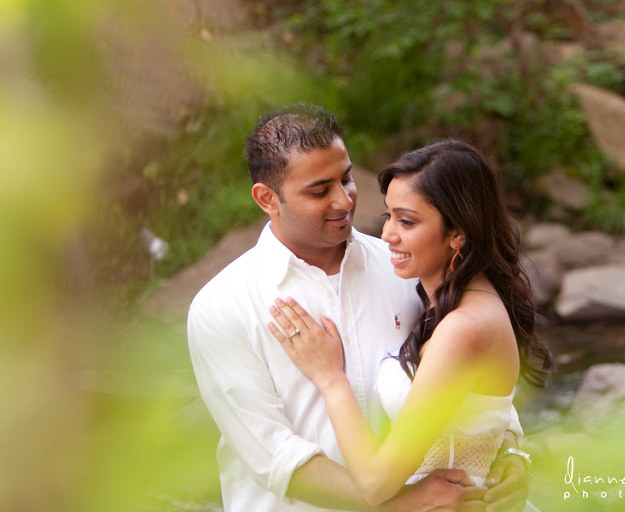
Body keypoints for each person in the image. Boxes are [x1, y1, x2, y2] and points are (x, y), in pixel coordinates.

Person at [187, 103, 532, 512]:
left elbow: (466, 376)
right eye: (319, 190)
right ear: (267, 199)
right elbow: (272, 455)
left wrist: (509, 452)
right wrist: (398, 505)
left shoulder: (403, 266)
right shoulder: (223, 306)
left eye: (347, 179)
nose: (344, 200)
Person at [267, 139, 553, 508]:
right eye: (389, 216)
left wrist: (330, 379)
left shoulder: (463, 327)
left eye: (407, 221)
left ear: (458, 233)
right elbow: (478, 411)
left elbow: (373, 483)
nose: (387, 234)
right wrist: (513, 451)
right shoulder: (449, 301)